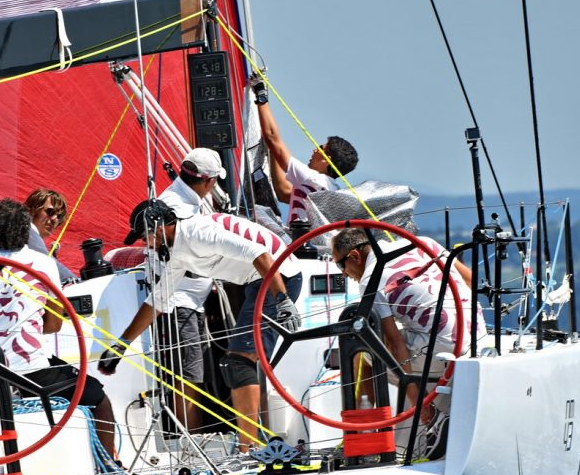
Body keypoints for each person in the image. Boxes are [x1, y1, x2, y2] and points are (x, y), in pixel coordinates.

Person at [100, 199, 302, 454]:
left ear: (159, 228)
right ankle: (253, 447)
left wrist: (282, 301)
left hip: (278, 278)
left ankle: (249, 450)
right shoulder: (179, 251)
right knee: (240, 363)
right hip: (259, 281)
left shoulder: (198, 233)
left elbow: (260, 254)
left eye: (145, 237)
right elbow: (157, 302)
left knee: (239, 363)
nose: (146, 245)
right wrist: (120, 346)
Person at [0, 199, 122, 464]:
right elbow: (54, 324)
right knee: (99, 399)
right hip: (34, 369)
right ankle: (110, 466)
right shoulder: (43, 264)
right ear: (26, 229)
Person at [330, 227, 485, 450]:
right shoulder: (424, 242)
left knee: (361, 350)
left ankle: (364, 438)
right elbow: (470, 280)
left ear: (355, 256)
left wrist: (419, 403)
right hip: (478, 336)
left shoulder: (370, 279)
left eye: (340, 266)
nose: (344, 274)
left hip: (444, 349)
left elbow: (394, 342)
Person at [136, 148, 222, 433]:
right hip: (178, 302)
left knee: (193, 374)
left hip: (190, 300)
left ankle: (192, 438)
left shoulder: (182, 200)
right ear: (208, 181)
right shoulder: (176, 206)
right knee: (188, 376)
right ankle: (190, 443)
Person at [250, 73, 359, 225]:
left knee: (254, 213)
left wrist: (260, 92)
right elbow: (284, 192)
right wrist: (273, 152)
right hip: (305, 239)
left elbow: (272, 137)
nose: (315, 150)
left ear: (327, 159)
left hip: (300, 238)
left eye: (321, 148)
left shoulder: (314, 179)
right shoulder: (332, 190)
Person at [24, 188, 75, 284]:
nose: (55, 219)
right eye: (50, 212)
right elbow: (46, 261)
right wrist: (80, 283)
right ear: (32, 210)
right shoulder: (26, 229)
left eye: (59, 217)